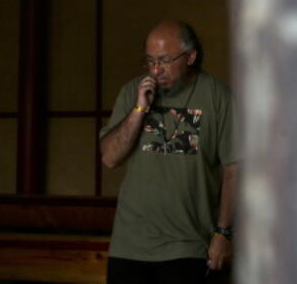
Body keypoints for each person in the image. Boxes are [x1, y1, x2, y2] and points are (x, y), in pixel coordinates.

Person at [99, 20, 238, 283]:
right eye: (150, 61)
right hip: (130, 246)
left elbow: (235, 169)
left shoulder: (218, 97)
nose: (156, 69)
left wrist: (223, 233)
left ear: (191, 57)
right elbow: (109, 158)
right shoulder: (133, 92)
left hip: (189, 245)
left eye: (164, 60)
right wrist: (139, 109)